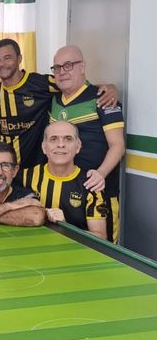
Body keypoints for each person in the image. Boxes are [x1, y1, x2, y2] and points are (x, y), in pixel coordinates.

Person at [0, 39, 118, 171]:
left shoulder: (41, 84)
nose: (2, 64)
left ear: (19, 59)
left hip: (36, 171)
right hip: (5, 171)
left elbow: (75, 85)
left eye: (7, 58)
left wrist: (108, 88)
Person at [49, 45, 125, 242]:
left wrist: (100, 174)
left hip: (99, 192)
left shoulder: (103, 98)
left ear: (82, 66)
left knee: (102, 250)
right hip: (64, 192)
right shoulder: (53, 100)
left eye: (68, 65)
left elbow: (118, 145)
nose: (62, 72)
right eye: (57, 67)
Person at [22, 121, 109, 237]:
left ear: (78, 146)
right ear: (44, 147)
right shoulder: (24, 177)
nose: (61, 144)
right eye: (54, 139)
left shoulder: (90, 184)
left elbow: (101, 237)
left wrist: (66, 227)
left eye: (68, 139)